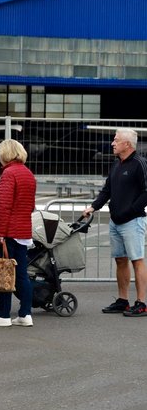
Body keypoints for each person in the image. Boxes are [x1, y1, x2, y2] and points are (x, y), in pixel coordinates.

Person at [83, 128, 147, 317]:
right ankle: (123, 300)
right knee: (120, 260)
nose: (113, 143)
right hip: (115, 222)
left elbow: (146, 191)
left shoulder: (140, 164)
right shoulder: (116, 164)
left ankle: (142, 303)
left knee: (137, 261)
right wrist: (93, 207)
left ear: (127, 144)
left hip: (133, 222)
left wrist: (131, 210)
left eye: (116, 140)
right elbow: (107, 190)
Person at [0, 139, 37, 327]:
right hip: (23, 232)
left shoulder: (9, 173)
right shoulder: (28, 173)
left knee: (3, 271)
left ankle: (3, 315)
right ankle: (25, 314)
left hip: (7, 232)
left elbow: (3, 206)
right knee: (21, 274)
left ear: (5, 154)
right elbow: (30, 206)